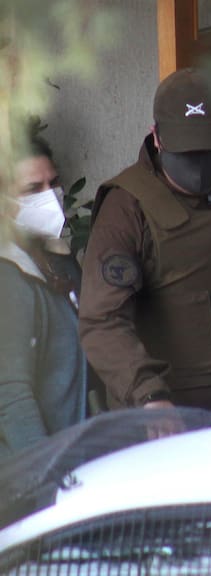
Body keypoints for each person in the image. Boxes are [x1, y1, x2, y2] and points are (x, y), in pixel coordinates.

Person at [78, 68, 211, 418]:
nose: (199, 166)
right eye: (185, 152)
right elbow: (102, 320)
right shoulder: (127, 206)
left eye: (209, 150)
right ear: (156, 137)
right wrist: (149, 395)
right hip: (175, 408)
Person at [0, 125, 86, 458]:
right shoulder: (8, 280)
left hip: (80, 459)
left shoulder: (58, 258)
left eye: (54, 183)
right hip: (42, 477)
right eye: (33, 188)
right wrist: (46, 477)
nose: (51, 196)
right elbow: (10, 396)